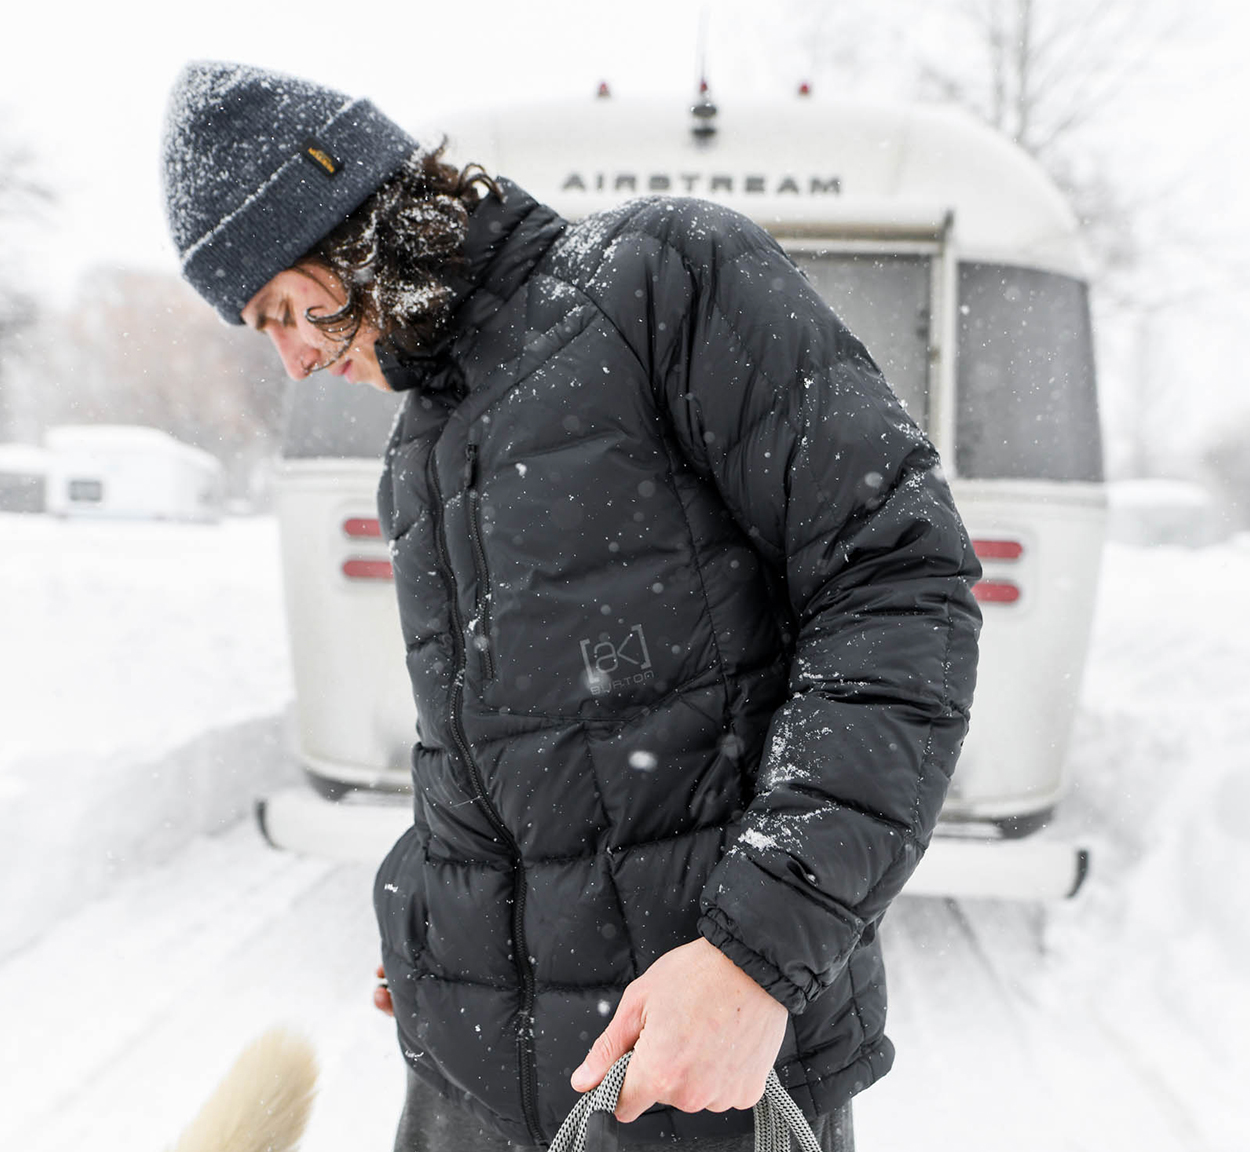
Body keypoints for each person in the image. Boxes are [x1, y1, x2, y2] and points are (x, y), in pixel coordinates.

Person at [162, 61, 981, 1152]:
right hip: (468, 1077)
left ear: (357, 226)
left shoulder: (659, 283)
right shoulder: (419, 452)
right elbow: (501, 748)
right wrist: (436, 917)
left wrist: (756, 953)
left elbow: (896, 587)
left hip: (679, 1070)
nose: (295, 358)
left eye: (283, 308)